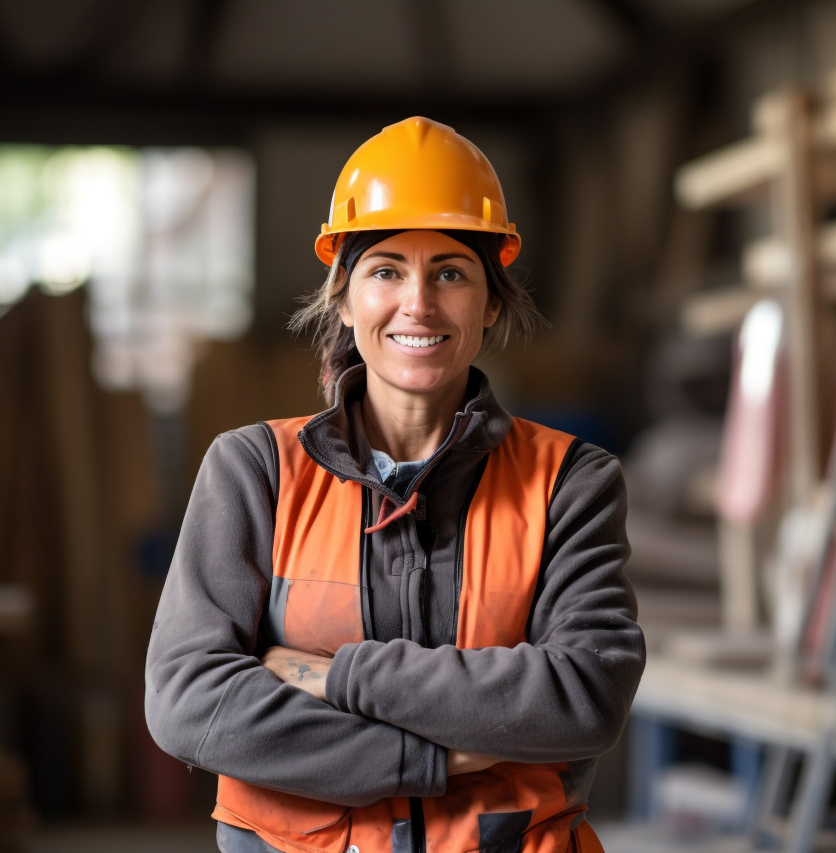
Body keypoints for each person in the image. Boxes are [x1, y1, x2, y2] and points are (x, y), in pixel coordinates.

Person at [145, 116, 645, 853]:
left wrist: (335, 672)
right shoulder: (253, 470)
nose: (419, 303)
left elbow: (585, 696)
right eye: (385, 270)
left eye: (450, 271)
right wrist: (431, 757)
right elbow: (190, 704)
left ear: (491, 303)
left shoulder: (571, 482)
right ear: (344, 301)